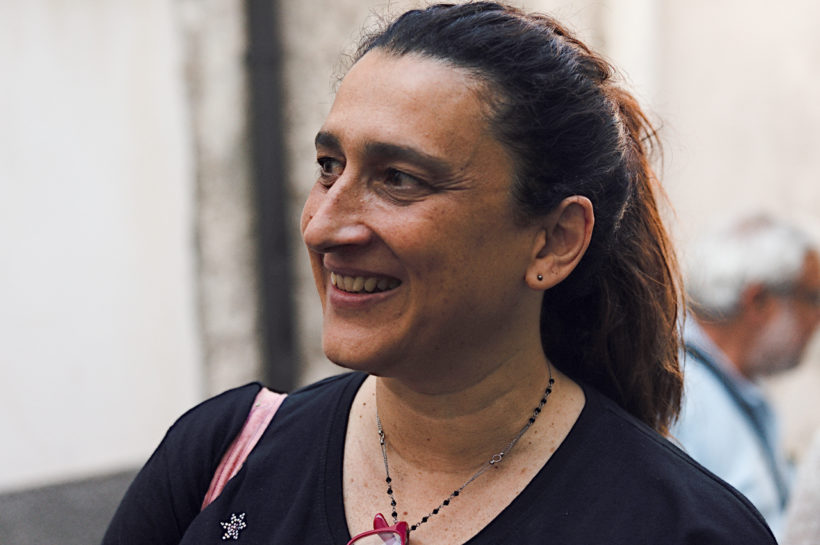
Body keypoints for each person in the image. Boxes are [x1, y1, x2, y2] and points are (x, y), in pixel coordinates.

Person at [103, 3, 776, 544]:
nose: (325, 227)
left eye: (399, 178)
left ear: (553, 241)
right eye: (330, 168)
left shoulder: (681, 527)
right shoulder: (224, 457)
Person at [674, 214, 820, 538]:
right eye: (812, 298)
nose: (817, 317)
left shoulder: (740, 386)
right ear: (759, 301)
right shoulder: (680, 392)